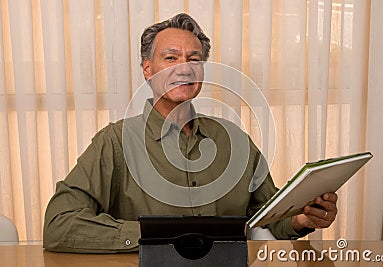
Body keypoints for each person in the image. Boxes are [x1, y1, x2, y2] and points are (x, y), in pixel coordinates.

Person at [43, 13, 338, 253]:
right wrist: (154, 236)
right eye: (171, 58)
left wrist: (301, 219)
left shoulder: (233, 140)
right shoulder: (114, 142)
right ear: (148, 69)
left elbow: (268, 219)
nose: (184, 69)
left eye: (194, 59)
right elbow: (59, 225)